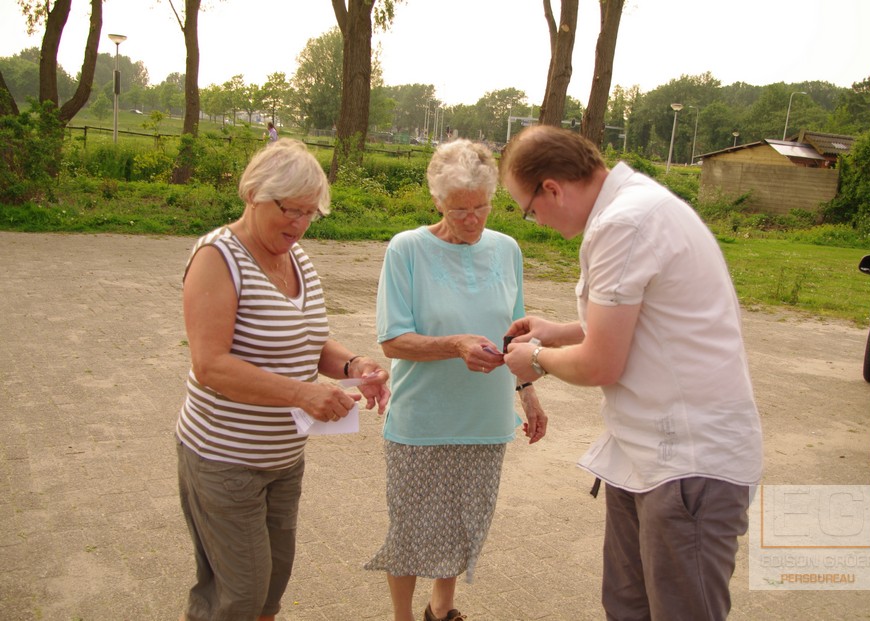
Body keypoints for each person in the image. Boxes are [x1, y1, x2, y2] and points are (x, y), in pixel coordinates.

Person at [500, 125, 763, 621]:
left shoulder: (624, 224)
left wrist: (534, 359)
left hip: (686, 462)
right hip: (648, 455)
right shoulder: (637, 206)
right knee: (626, 606)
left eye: (529, 210)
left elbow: (601, 363)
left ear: (552, 189)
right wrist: (558, 332)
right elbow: (645, 321)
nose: (536, 221)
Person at [176, 137, 390, 621]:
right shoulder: (217, 257)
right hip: (225, 459)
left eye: (310, 213)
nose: (299, 224)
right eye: (290, 210)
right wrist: (302, 394)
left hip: (283, 460)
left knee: (270, 588)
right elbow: (210, 365)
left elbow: (308, 340)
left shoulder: (298, 259)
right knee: (238, 597)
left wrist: (355, 366)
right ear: (254, 194)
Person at [365, 139, 548, 621]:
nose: (472, 219)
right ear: (436, 201)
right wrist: (455, 345)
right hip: (422, 421)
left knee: (465, 524)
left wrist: (529, 394)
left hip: (485, 420)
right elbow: (392, 341)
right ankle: (402, 617)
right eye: (459, 209)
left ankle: (441, 610)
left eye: (481, 207)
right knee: (409, 533)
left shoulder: (507, 250)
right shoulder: (407, 249)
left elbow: (515, 337)